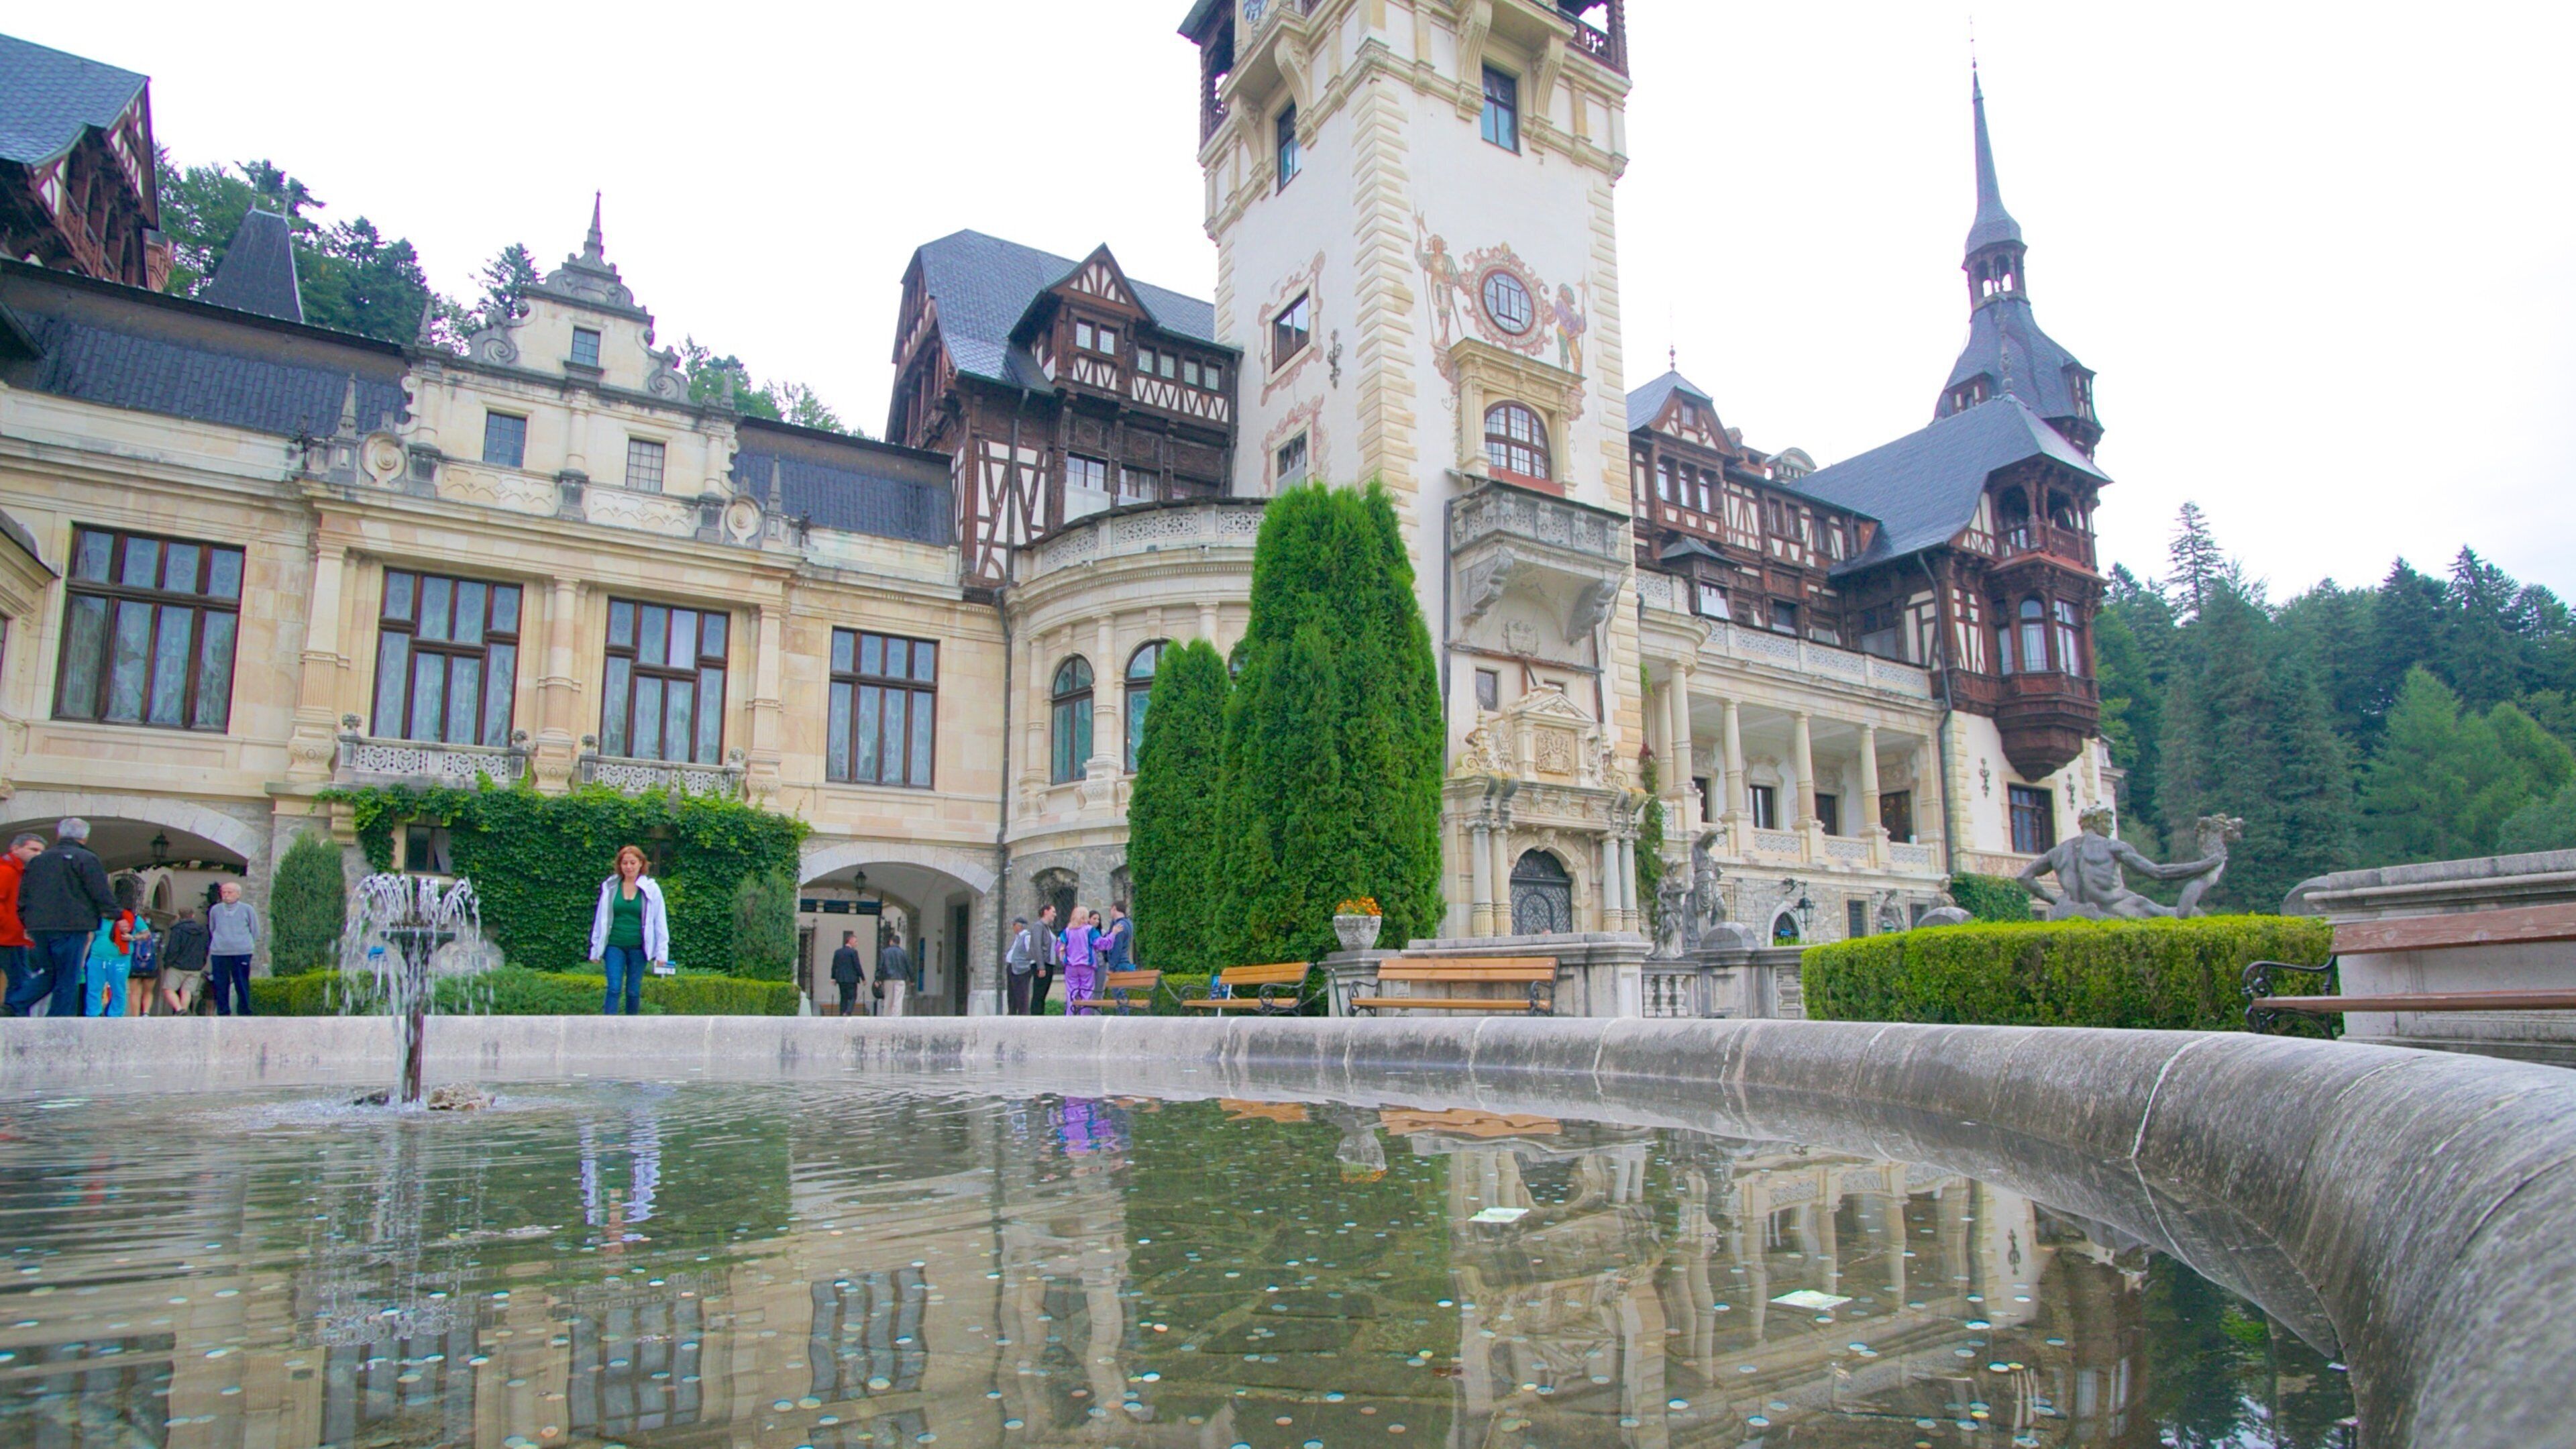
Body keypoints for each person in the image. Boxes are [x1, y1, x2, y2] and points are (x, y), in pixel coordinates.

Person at [15, 818, 118, 1017]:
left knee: (50, 972)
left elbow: (24, 892)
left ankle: (15, 1003)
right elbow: (99, 890)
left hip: (40, 926)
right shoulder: (86, 858)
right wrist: (116, 914)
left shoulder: (38, 861)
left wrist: (26, 920)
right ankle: (58, 1020)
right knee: (68, 976)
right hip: (72, 925)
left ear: (58, 835)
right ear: (85, 837)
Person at [586, 845, 670, 1016]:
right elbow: (600, 919)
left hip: (638, 947)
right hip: (614, 945)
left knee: (633, 991)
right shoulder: (610, 887)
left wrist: (662, 953)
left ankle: (631, 1028)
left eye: (633, 862)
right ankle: (608, 1027)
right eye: (625, 863)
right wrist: (595, 949)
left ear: (641, 864)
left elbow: (660, 922)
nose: (629, 867)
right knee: (614, 988)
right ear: (620, 865)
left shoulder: (651, 889)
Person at [83, 878, 141, 1016]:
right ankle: (93, 1015)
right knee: (94, 989)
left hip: (119, 959)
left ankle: (114, 1016)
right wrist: (84, 958)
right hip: (98, 958)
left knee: (116, 989)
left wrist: (133, 938)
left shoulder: (133, 918)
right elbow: (90, 938)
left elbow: (145, 934)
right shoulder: (129, 917)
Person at [205, 879, 262, 1016]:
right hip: (220, 952)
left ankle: (244, 1011)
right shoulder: (215, 910)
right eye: (223, 892)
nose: (226, 895)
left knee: (241, 982)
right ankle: (223, 1012)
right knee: (220, 983)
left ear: (238, 894)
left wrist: (245, 944)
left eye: (230, 892)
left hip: (241, 951)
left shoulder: (247, 909)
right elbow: (213, 928)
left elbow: (255, 930)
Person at [0, 833, 42, 1015]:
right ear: (16, 848)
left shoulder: (18, 871)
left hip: (12, 936)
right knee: (21, 981)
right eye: (33, 849)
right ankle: (15, 1019)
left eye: (41, 851)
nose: (38, 854)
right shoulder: (7, 871)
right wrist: (14, 927)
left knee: (19, 980)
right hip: (9, 937)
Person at [159, 906, 211, 1016]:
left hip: (178, 966)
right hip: (195, 966)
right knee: (187, 991)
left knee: (168, 989)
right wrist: (202, 962)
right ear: (193, 916)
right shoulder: (203, 931)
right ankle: (183, 1013)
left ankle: (179, 1010)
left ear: (179, 917)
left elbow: (173, 949)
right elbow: (206, 948)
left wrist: (167, 962)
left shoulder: (178, 930)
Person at [1061, 908, 1098, 1016]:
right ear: (1084, 917)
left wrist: (1064, 958)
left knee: (1071, 993)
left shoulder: (1067, 931)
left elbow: (1059, 947)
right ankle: (1085, 1019)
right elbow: (1100, 943)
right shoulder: (1089, 930)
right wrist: (1112, 936)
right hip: (1086, 965)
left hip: (1071, 966)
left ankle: (1070, 1017)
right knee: (1087, 993)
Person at [1030, 904, 1063, 1015]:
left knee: (1042, 994)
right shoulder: (1038, 926)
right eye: (1053, 912)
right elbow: (1037, 946)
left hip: (1048, 964)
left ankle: (1040, 1017)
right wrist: (1041, 966)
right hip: (1042, 964)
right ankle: (1036, 1018)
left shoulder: (1047, 928)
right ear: (1045, 912)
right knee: (1039, 994)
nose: (1055, 914)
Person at [1004, 915, 1038, 1015]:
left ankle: (1023, 1014)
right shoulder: (1018, 938)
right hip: (1013, 968)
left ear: (1019, 926)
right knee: (1012, 993)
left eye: (1014, 925)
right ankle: (1012, 1012)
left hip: (1021, 970)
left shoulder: (1027, 937)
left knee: (1021, 993)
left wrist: (1027, 966)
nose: (1013, 927)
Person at [876, 928, 912, 1018]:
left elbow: (881, 966)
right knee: (898, 1000)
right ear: (899, 943)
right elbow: (909, 966)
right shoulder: (903, 953)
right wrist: (912, 979)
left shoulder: (885, 952)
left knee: (888, 999)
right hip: (900, 978)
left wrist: (878, 979)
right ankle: (897, 1018)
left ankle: (887, 1017)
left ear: (891, 942)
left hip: (888, 978)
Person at [829, 930, 863, 1017]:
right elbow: (857, 966)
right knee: (853, 996)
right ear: (850, 941)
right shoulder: (853, 952)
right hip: (851, 979)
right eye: (856, 941)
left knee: (843, 997)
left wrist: (833, 977)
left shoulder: (838, 952)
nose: (857, 944)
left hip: (841, 979)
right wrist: (863, 978)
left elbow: (834, 966)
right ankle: (847, 1012)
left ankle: (842, 1013)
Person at [1098, 902, 1132, 972]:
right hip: (1124, 962)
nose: (1110, 913)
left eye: (1111, 910)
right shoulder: (1128, 923)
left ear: (1114, 908)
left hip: (1118, 965)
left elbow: (1117, 948)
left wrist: (1112, 967)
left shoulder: (1119, 926)